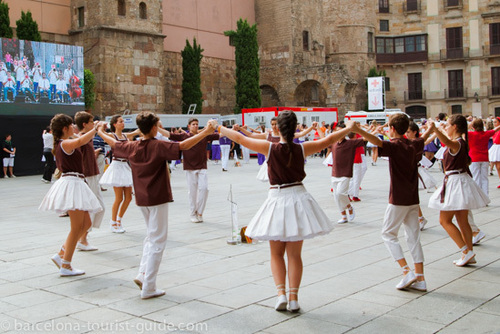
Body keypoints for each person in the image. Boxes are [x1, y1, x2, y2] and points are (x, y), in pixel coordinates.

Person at [219, 110, 354, 312]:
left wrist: (218, 127)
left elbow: (240, 138)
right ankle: (293, 298)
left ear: (279, 128)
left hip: (277, 198)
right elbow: (329, 139)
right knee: (294, 255)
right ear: (294, 128)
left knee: (276, 253)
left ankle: (280, 294)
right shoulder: (302, 148)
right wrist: (350, 128)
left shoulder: (270, 148)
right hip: (298, 197)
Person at [98, 112, 217, 299]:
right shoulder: (157, 146)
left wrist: (99, 132)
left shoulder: (132, 146)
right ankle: (149, 286)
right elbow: (183, 145)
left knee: (151, 237)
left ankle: (143, 274)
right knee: (158, 240)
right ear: (154, 128)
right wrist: (206, 132)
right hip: (157, 197)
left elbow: (114, 144)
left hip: (143, 199)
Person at [351, 114, 432, 292]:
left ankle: (406, 270)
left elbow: (376, 141)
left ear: (392, 129)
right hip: (412, 199)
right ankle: (421, 278)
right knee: (413, 238)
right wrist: (432, 129)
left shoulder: (394, 146)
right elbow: (424, 139)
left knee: (388, 234)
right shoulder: (413, 143)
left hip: (398, 198)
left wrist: (358, 130)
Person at [39, 114, 103, 276]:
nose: (74, 128)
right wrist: (95, 129)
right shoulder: (65, 143)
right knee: (76, 227)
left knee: (86, 223)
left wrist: (92, 129)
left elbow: (80, 138)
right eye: (71, 126)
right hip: (72, 183)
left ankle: (62, 254)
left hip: (76, 183)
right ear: (65, 128)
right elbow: (81, 141)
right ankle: (66, 264)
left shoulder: (64, 142)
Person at [428, 115, 490, 266]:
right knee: (463, 221)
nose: (447, 127)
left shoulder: (456, 143)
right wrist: (438, 128)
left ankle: (465, 251)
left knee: (444, 220)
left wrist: (435, 128)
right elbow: (446, 140)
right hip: (460, 181)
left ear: (455, 127)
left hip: (455, 182)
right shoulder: (461, 142)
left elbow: (447, 141)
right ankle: (469, 252)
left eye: (449, 125)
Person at [168, 118, 220, 223]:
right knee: (192, 192)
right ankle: (192, 213)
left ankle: (200, 212)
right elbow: (169, 135)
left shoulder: (204, 135)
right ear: (189, 126)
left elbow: (220, 134)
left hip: (202, 166)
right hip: (190, 167)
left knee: (204, 189)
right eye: (193, 124)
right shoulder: (184, 136)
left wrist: (231, 129)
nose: (195, 126)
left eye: (197, 124)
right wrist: (158, 127)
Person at [99, 115, 138, 232]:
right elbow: (101, 134)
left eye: (123, 121)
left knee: (129, 197)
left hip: (125, 166)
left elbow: (137, 131)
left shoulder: (126, 136)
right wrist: (101, 126)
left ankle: (119, 219)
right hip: (117, 166)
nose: (123, 123)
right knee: (119, 197)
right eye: (120, 121)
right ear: (115, 124)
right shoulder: (112, 136)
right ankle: (113, 221)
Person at [74, 111, 106, 251]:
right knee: (92, 207)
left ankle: (83, 237)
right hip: (87, 175)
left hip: (92, 173)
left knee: (100, 207)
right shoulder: (81, 137)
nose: (94, 124)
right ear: (85, 124)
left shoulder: (87, 137)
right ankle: (82, 239)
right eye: (91, 122)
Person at [328, 124, 365, 224]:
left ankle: (349, 207)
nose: (340, 133)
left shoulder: (351, 143)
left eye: (342, 131)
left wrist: (361, 130)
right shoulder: (333, 143)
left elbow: (365, 139)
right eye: (338, 131)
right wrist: (317, 128)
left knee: (341, 193)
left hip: (345, 173)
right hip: (335, 173)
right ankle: (343, 216)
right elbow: (323, 139)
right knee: (336, 196)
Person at [405, 121, 437, 230]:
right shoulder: (409, 142)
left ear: (415, 132)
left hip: (415, 171)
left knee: (411, 196)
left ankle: (420, 218)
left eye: (408, 132)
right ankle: (419, 218)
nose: (407, 133)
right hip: (410, 170)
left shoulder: (416, 142)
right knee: (410, 196)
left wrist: (434, 131)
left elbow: (426, 139)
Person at [468, 118, 500, 195]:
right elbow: (495, 130)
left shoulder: (470, 134)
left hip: (474, 158)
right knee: (484, 178)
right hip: (485, 158)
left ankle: (478, 196)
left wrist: (470, 125)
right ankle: (486, 196)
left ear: (473, 126)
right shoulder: (486, 133)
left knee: (476, 177)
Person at [489, 117, 500, 188]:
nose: (494, 123)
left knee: (499, 166)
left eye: (495, 122)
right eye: (493, 122)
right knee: (497, 166)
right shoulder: (494, 131)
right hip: (495, 147)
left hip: (499, 147)